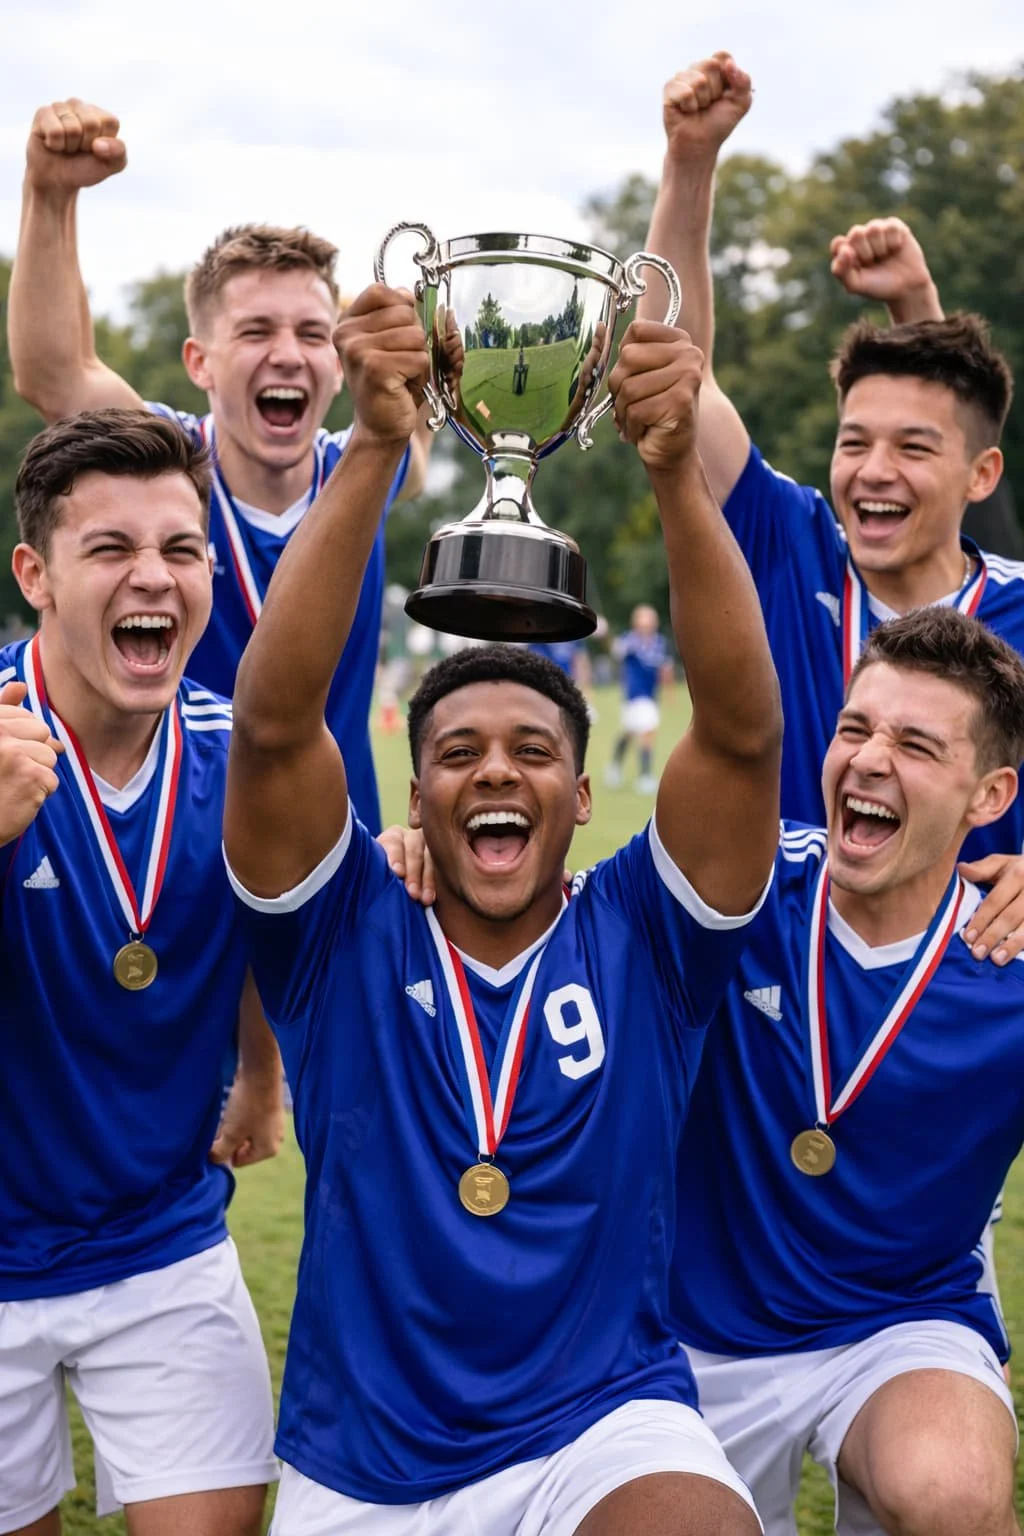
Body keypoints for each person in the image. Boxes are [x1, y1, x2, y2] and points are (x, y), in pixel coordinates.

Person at [222, 282, 782, 1532]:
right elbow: (270, 727)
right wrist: (372, 444)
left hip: (598, 1423)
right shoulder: (338, 928)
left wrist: (680, 476)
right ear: (410, 793)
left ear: (583, 796)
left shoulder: (646, 934)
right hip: (359, 1462)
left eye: (531, 750)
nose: (493, 770)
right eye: (459, 749)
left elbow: (743, 739)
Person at [641, 52, 1024, 969]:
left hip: (939, 1034)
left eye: (912, 449)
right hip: (766, 996)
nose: (871, 472)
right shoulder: (790, 543)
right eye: (854, 443)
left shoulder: (1017, 615)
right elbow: (667, 374)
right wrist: (689, 163)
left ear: (982, 477)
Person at [670, 606, 1024, 1536]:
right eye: (854, 728)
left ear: (990, 798)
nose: (868, 760)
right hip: (687, 1333)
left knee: (951, 1494)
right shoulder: (736, 891)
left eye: (915, 744)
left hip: (900, 1325)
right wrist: (409, 847)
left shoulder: (1009, 958)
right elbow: (539, 919)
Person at [0, 410, 280, 1535]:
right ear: (38, 576)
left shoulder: (243, 760)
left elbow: (282, 918)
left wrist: (261, 1078)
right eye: (109, 549)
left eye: (180, 549)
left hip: (159, 1241)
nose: (151, 577)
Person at [8, 96, 432, 835]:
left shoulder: (358, 469)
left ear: (336, 367)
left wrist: (426, 364)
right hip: (184, 837)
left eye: (311, 332)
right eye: (256, 330)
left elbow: (413, 445)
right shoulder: (171, 465)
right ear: (200, 362)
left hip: (336, 839)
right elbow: (55, 373)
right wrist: (51, 194)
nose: (288, 354)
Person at [605, 605, 673, 793]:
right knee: (634, 734)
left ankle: (636, 773)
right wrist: (605, 634)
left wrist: (669, 691)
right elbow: (616, 651)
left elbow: (664, 668)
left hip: (650, 697)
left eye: (649, 621)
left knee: (644, 733)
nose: (646, 625)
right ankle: (632, 772)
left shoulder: (660, 642)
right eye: (643, 622)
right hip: (634, 696)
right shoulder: (631, 640)